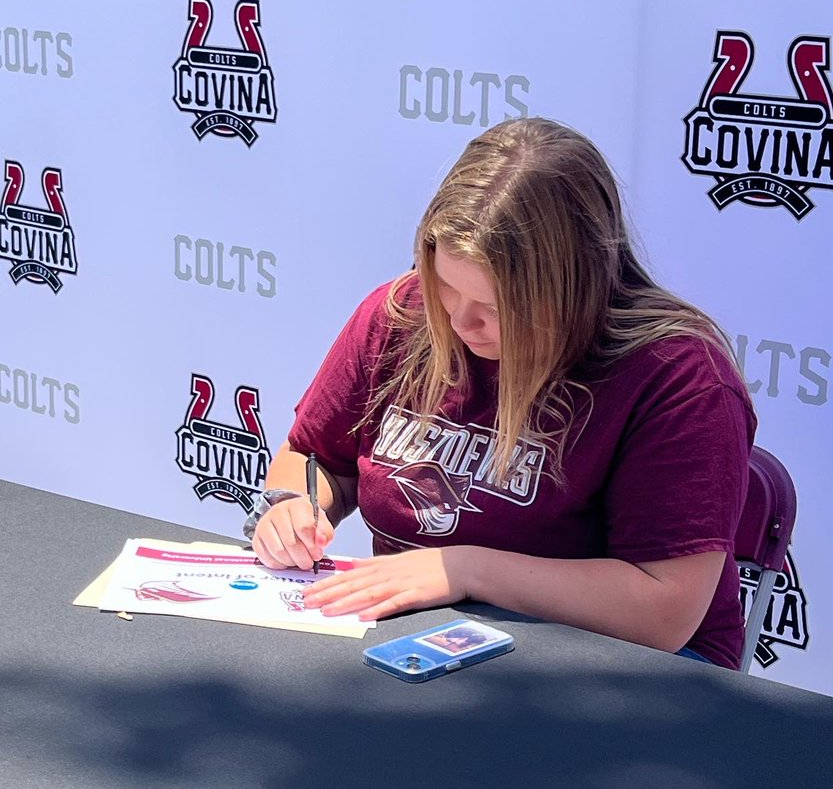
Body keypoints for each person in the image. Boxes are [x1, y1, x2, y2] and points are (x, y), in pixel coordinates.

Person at [245, 118, 756, 669]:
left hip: (629, 673)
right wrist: (294, 507)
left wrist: (464, 570)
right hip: (432, 646)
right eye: (445, 286)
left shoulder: (676, 375)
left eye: (494, 306)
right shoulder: (400, 314)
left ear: (571, 287)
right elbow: (316, 455)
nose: (462, 321)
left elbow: (664, 610)